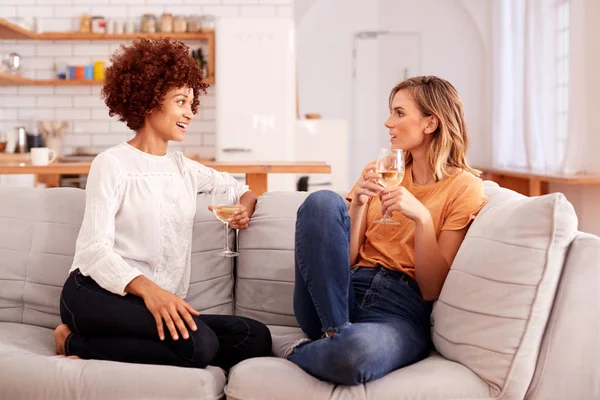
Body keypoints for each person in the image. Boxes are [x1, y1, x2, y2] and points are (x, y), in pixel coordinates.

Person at [53, 38, 272, 370]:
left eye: (191, 103)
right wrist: (150, 291)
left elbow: (239, 188)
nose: (189, 112)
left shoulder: (183, 168)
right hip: (94, 292)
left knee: (254, 337)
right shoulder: (111, 163)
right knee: (200, 346)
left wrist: (245, 207)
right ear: (148, 101)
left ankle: (119, 342)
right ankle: (71, 340)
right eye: (180, 101)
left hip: (153, 304)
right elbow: (93, 250)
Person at [280, 76, 488, 385]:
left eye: (399, 113)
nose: (389, 122)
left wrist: (422, 219)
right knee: (322, 201)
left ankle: (315, 348)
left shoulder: (464, 187)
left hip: (398, 311)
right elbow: (345, 259)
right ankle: (335, 330)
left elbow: (431, 289)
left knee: (354, 355)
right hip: (337, 293)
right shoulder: (378, 170)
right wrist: (360, 205)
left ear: (431, 123)